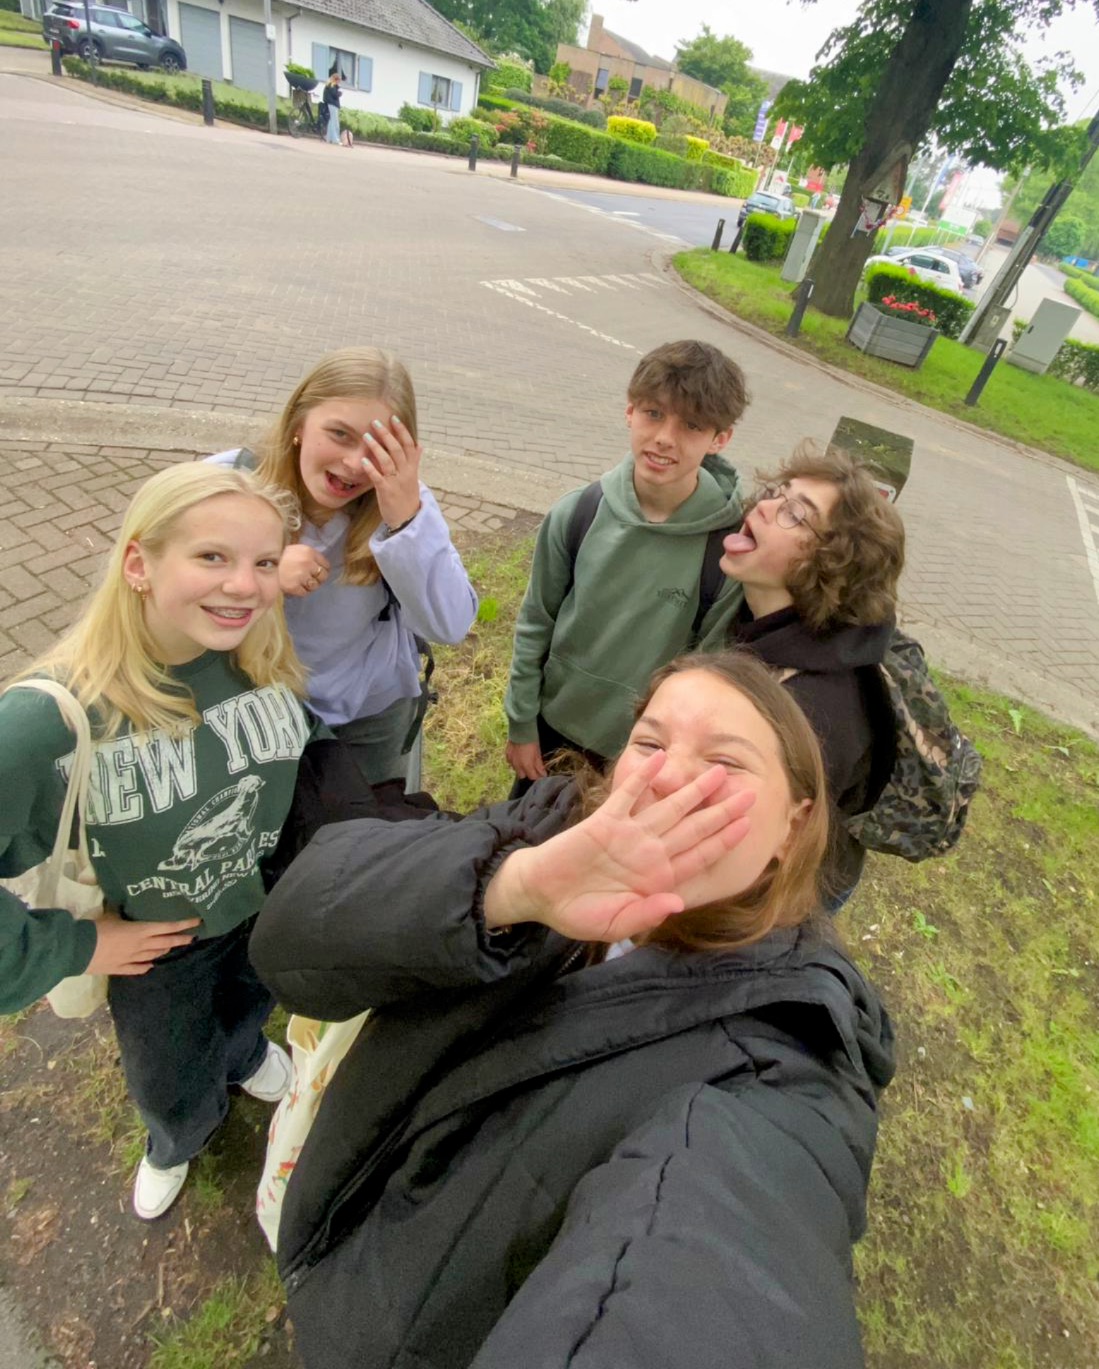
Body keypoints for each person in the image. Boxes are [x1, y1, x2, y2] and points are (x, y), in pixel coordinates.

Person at [251, 651, 895, 1369]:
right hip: (336, 1224)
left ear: (792, 827)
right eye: (649, 743)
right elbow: (287, 941)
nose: (666, 776)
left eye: (725, 762)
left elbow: (721, 1258)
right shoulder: (546, 826)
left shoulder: (784, 1050)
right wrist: (510, 890)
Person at [0, 464, 315, 1220]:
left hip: (257, 911)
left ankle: (243, 1056)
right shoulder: (44, 722)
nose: (244, 585)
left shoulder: (260, 660)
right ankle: (178, 1138)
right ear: (138, 563)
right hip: (154, 948)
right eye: (212, 557)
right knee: (167, 1069)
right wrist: (78, 945)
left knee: (247, 1007)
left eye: (264, 562)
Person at [208, 347, 478, 787]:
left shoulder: (403, 503)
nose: (354, 463)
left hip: (366, 722)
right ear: (299, 423)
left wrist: (405, 522)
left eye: (378, 448)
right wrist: (264, 571)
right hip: (245, 712)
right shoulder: (227, 482)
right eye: (339, 434)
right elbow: (157, 590)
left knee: (364, 828)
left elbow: (450, 625)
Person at [504, 338, 748, 792]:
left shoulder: (725, 551)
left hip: (642, 755)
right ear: (630, 411)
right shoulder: (577, 513)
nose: (665, 438)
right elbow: (536, 621)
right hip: (552, 731)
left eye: (692, 425)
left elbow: (706, 679)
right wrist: (521, 723)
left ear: (720, 438)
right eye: (654, 413)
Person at [714, 441, 904, 902]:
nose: (764, 507)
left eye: (795, 514)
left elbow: (752, 862)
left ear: (831, 564)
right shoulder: (763, 619)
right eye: (777, 492)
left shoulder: (812, 710)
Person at [322, 70, 343, 146]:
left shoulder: (329, 84)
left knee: (331, 122)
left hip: (330, 104)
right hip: (333, 104)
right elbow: (334, 94)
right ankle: (335, 139)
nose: (339, 82)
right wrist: (340, 93)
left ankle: (329, 138)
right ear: (336, 80)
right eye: (339, 81)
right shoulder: (332, 85)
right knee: (335, 122)